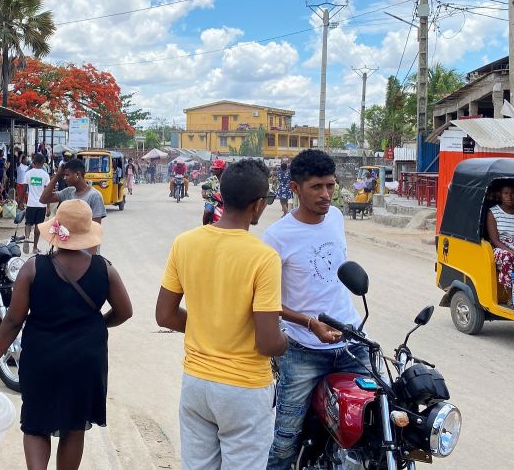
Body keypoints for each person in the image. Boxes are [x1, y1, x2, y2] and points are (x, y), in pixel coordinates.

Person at [0, 199, 133, 470]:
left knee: (36, 425)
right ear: (87, 233)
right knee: (74, 427)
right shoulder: (105, 269)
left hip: (42, 358)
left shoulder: (33, 268)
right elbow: (125, 312)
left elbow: (14, 319)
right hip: (86, 360)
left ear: (55, 231)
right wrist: (97, 324)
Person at [156, 159, 285, 469]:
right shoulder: (264, 257)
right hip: (245, 389)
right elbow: (268, 343)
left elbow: (165, 315)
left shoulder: (185, 243)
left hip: (197, 384)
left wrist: (206, 326)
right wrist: (287, 342)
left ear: (221, 196)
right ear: (257, 206)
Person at [262, 149, 368, 470]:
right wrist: (309, 323)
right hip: (303, 350)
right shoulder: (276, 237)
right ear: (295, 189)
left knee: (376, 420)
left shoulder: (335, 217)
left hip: (351, 342)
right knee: (285, 440)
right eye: (317, 188)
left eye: (331, 186)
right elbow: (265, 301)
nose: (326, 195)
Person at [41, 159, 106, 224]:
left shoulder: (94, 196)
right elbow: (43, 199)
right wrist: (58, 175)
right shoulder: (68, 192)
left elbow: (96, 226)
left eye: (67, 175)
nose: (64, 178)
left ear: (77, 174)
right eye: (64, 175)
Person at [24, 154, 50, 254]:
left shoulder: (28, 174)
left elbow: (24, 189)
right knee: (38, 225)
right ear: (43, 163)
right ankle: (35, 247)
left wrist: (21, 202)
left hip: (30, 203)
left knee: (28, 223)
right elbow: (47, 192)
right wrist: (48, 207)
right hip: (41, 204)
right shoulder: (45, 175)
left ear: (34, 162)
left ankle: (26, 238)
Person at [201, 159, 226, 225]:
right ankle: (204, 228)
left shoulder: (227, 179)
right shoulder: (210, 179)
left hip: (225, 203)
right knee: (207, 211)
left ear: (222, 169)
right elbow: (204, 188)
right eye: (214, 168)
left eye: (217, 169)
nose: (214, 170)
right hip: (212, 201)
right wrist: (204, 193)